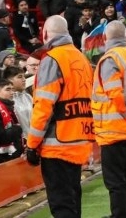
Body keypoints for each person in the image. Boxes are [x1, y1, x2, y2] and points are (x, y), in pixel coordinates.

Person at [26, 15, 95, 217]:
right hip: (80, 139)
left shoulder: (52, 59)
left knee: (62, 205)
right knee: (73, 199)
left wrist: (32, 144)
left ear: (46, 33)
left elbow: (43, 107)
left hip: (57, 144)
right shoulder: (81, 57)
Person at [91, 21, 126, 218]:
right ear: (125, 37)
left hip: (113, 130)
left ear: (105, 38)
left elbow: (116, 95)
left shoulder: (109, 60)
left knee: (115, 182)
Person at [3, 66, 33, 137]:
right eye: (20, 77)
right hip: (19, 140)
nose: (24, 79)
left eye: (24, 76)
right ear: (9, 80)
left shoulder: (28, 97)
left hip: (34, 139)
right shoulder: (6, 100)